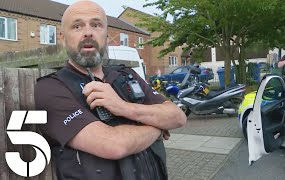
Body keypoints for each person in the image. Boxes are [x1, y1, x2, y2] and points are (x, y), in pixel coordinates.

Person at [34, 1, 187, 179]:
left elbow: (177, 116)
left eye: (96, 25)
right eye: (77, 26)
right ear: (62, 37)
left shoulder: (125, 75)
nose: (88, 32)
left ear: (106, 36)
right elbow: (113, 144)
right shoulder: (51, 88)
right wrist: (158, 127)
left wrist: (122, 107)